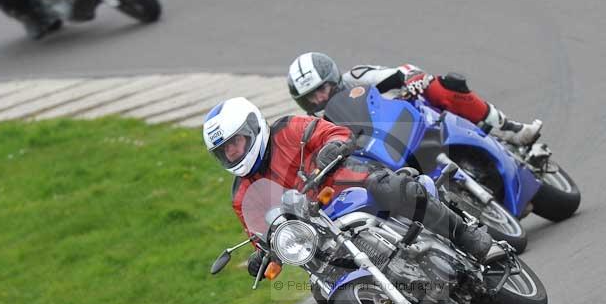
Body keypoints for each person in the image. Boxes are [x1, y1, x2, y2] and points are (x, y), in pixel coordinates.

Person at [202, 97, 500, 281]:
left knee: (394, 188)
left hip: (346, 188)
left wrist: (332, 147)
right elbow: (263, 234)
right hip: (318, 233)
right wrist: (264, 254)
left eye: (235, 143)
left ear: (253, 128)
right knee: (323, 291)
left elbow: (332, 132)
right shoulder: (242, 194)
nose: (232, 154)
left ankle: (465, 235)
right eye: (224, 151)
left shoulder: (289, 129)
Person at [287, 52, 543, 146]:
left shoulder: (357, 76)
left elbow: (402, 72)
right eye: (310, 97)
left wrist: (412, 80)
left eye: (322, 89)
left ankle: (509, 129)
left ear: (333, 78)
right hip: (388, 150)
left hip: (413, 119)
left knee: (441, 86)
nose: (319, 98)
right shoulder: (321, 128)